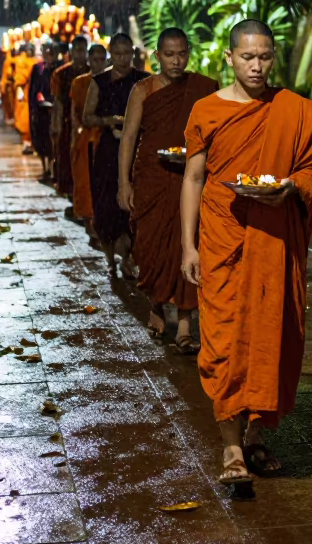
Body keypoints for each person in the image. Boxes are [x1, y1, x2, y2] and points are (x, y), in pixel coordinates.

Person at [180, 19, 312, 484]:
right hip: (223, 238)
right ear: (229, 58)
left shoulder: (296, 111)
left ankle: (256, 438)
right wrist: (187, 245)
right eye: (247, 57)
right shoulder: (206, 110)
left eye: (265, 57)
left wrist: (292, 187)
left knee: (271, 337)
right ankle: (231, 449)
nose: (257, 66)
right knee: (224, 343)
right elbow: (193, 179)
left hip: (272, 240)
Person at [118, 28, 218, 351]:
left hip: (190, 178)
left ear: (189, 53)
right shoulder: (143, 90)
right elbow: (129, 139)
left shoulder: (202, 89)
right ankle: (157, 304)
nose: (177, 61)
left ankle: (185, 327)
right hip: (152, 177)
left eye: (182, 54)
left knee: (187, 244)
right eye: (169, 54)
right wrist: (124, 183)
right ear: (156, 55)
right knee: (151, 247)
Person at [83, 32, 147, 275]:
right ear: (111, 54)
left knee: (132, 206)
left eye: (126, 54)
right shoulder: (100, 81)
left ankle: (129, 256)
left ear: (132, 53)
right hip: (109, 149)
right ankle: (110, 257)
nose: (122, 59)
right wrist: (107, 120)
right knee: (106, 204)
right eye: (117, 54)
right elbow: (86, 117)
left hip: (136, 148)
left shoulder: (142, 80)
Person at [70, 43, 107, 245]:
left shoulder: (112, 81)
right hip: (85, 138)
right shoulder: (80, 83)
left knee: (103, 184)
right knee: (85, 182)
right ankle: (89, 224)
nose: (98, 63)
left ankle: (101, 225)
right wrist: (76, 136)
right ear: (89, 61)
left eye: (102, 59)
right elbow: (75, 112)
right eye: (95, 59)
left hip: (105, 137)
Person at [51, 35, 89, 208]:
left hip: (87, 124)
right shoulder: (61, 74)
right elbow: (58, 101)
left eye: (83, 50)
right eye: (77, 50)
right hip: (67, 123)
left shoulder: (93, 73)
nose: (80, 54)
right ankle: (73, 198)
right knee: (67, 160)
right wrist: (56, 125)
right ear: (72, 52)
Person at [29, 44, 56, 183]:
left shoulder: (58, 69)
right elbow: (33, 88)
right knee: (40, 140)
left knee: (52, 142)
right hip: (40, 110)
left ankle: (51, 170)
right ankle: (44, 168)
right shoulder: (37, 68)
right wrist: (34, 106)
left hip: (54, 110)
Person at [12, 43, 35, 153]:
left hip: (34, 93)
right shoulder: (21, 61)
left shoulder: (35, 61)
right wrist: (19, 88)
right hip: (25, 92)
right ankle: (27, 143)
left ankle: (31, 143)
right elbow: (20, 76)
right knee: (25, 119)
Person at [0, 46, 16, 125]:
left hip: (10, 86)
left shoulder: (10, 61)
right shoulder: (5, 61)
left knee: (11, 104)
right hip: (5, 85)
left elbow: (9, 74)